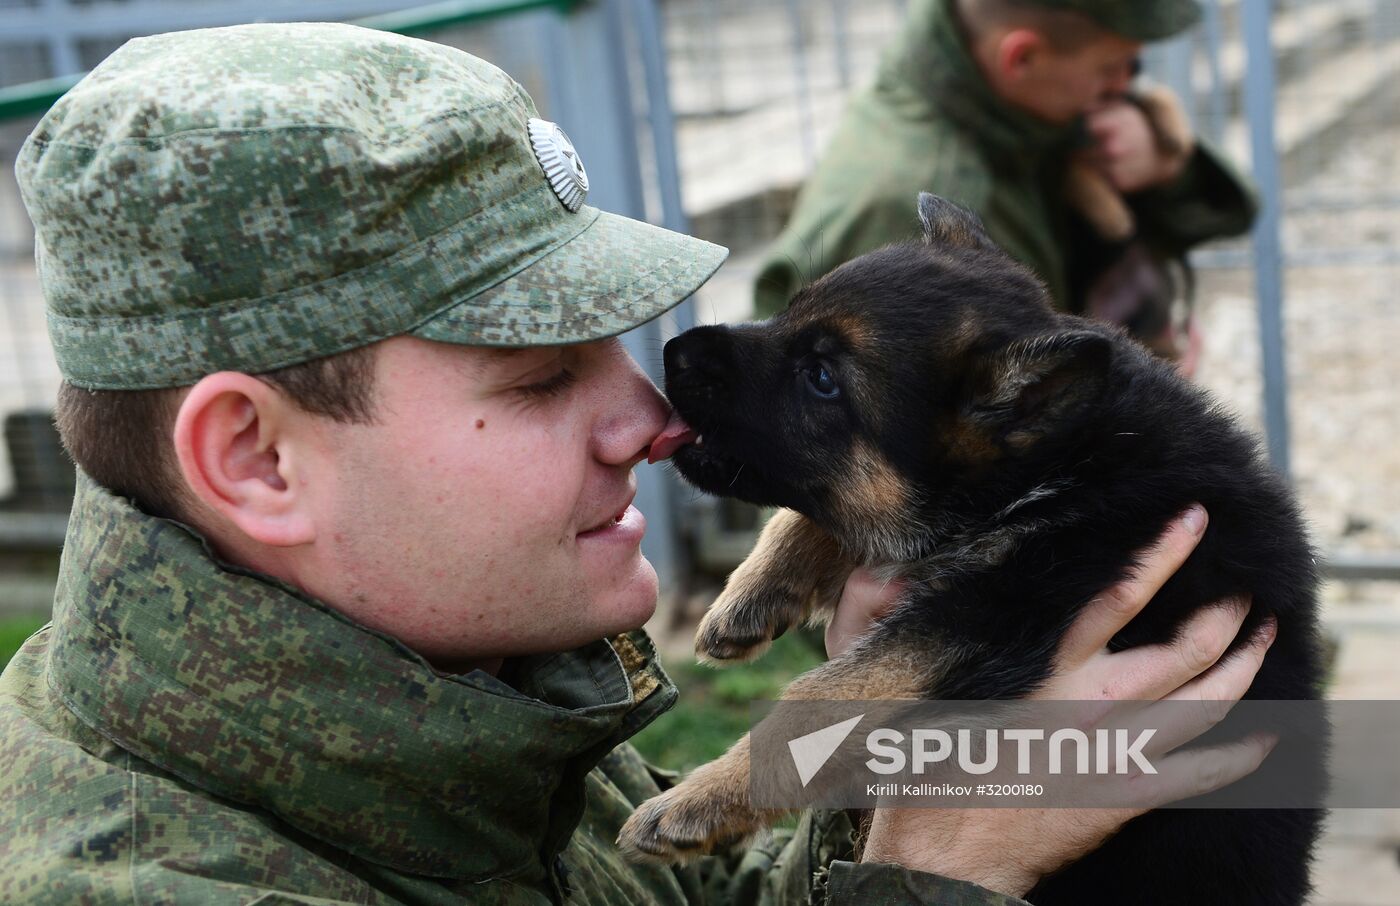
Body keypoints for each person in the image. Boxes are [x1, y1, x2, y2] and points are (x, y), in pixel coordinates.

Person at [0, 22, 1275, 905]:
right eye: (541, 377)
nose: (653, 423)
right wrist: (935, 869)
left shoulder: (461, 673)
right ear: (257, 460)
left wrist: (903, 774)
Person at [752, 0, 1256, 368]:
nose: (1125, 85)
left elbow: (1232, 212)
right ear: (1020, 58)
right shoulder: (920, 204)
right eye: (1111, 67)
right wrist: (1144, 385)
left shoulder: (1007, 101)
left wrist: (1165, 166)